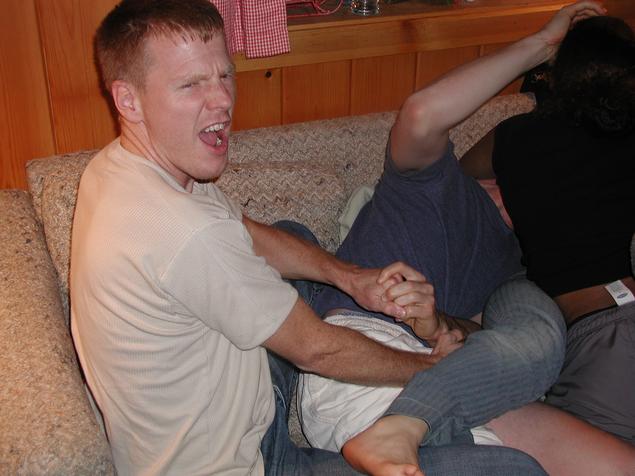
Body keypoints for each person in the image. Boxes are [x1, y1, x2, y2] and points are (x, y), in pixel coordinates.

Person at [69, 0, 549, 475]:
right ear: (128, 100)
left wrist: (351, 278)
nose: (222, 101)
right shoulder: (184, 232)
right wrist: (433, 367)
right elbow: (317, 350)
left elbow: (244, 232)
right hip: (245, 464)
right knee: (514, 469)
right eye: (191, 84)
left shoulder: (118, 169)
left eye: (224, 75)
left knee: (291, 237)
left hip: (248, 400)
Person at [309, 1, 635, 475]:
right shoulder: (428, 183)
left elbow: (485, 349)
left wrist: (439, 325)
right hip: (369, 362)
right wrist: (542, 45)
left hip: (451, 380)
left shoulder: (519, 273)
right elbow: (422, 114)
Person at [461, 14, 635, 443]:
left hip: (604, 337)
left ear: (556, 71)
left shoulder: (517, 137)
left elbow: (458, 173)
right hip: (615, 322)